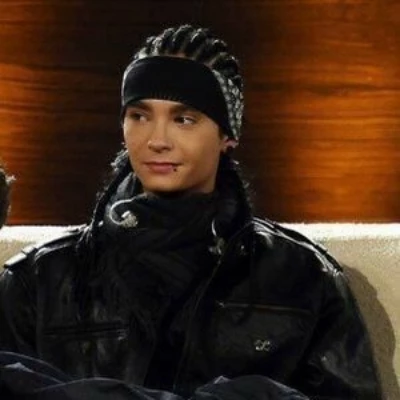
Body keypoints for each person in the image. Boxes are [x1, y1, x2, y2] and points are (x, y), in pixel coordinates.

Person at [0, 25, 382, 399]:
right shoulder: (39, 279)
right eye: (139, 116)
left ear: (227, 135)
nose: (157, 140)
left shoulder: (302, 277)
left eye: (184, 119)